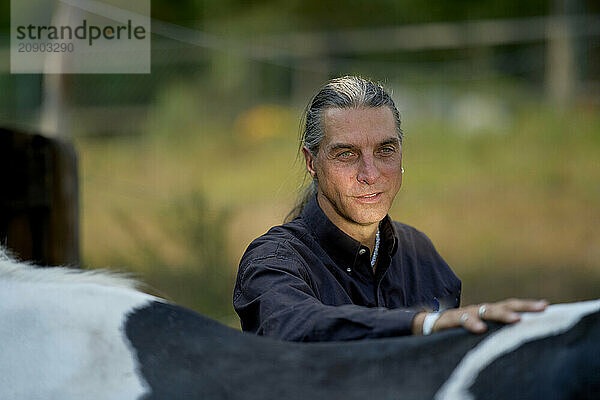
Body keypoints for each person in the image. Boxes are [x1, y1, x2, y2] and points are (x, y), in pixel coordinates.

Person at [233, 76, 547, 341]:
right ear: (312, 162)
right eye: (346, 154)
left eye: (385, 150)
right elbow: (294, 325)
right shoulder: (274, 259)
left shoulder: (421, 256)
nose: (370, 174)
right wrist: (421, 324)